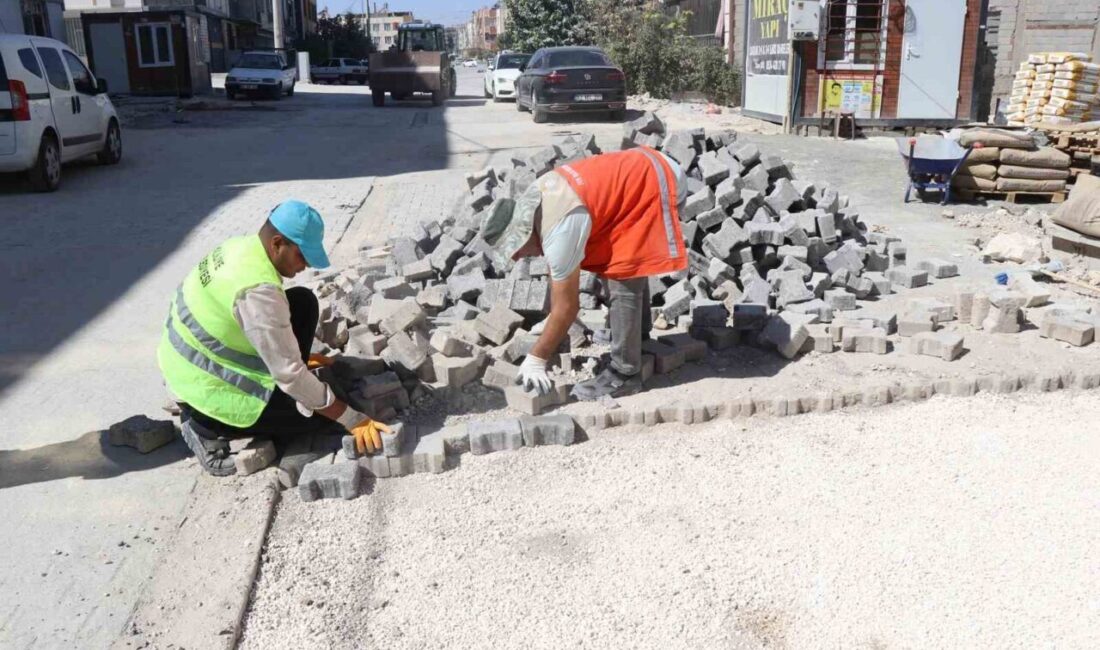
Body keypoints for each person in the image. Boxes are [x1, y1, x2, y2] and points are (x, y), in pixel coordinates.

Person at [158, 200, 360, 478]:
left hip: (184, 360)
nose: (307, 265)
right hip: (202, 388)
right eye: (303, 256)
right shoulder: (257, 290)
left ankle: (288, 387)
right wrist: (352, 418)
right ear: (278, 243)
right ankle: (203, 426)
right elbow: (290, 376)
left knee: (303, 301)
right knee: (316, 419)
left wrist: (291, 359)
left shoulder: (239, 247)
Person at [481, 146, 688, 401]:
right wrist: (550, 321)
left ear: (522, 233)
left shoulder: (560, 229)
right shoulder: (536, 200)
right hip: (641, 169)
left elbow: (568, 307)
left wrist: (537, 358)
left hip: (657, 181)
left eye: (514, 249)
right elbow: (557, 280)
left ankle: (624, 373)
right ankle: (638, 337)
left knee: (621, 273)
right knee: (615, 261)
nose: (516, 257)